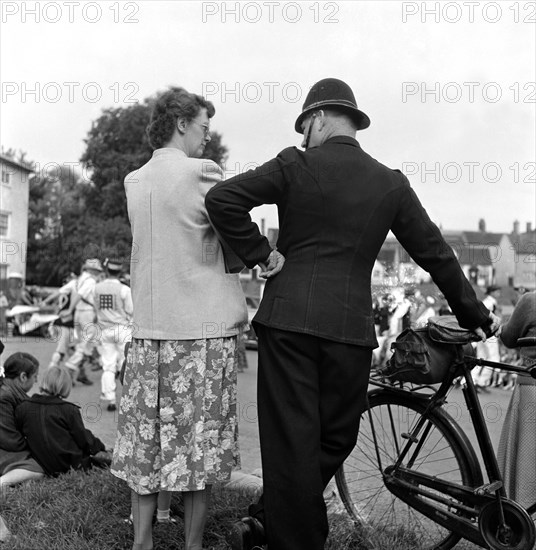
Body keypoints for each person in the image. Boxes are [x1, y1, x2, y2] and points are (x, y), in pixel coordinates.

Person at [205, 77, 499, 550]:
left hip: (287, 323)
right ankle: (281, 527)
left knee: (291, 443)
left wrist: (261, 253)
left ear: (317, 120)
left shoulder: (294, 163)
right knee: (336, 437)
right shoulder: (390, 183)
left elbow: (222, 199)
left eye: (305, 128)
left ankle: (278, 526)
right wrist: (475, 313)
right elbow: (435, 252)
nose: (305, 138)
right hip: (350, 331)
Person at [110, 86, 247, 550]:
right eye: (205, 127)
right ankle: (192, 544)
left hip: (151, 329)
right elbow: (233, 227)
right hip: (200, 331)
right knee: (199, 446)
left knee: (147, 441)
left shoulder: (134, 180)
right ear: (182, 122)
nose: (208, 138)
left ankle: (143, 541)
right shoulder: (202, 173)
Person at [15, 366, 109, 476]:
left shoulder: (23, 408)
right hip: (70, 463)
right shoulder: (68, 410)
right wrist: (99, 447)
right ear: (65, 386)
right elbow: (83, 439)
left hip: (41, 462)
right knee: (92, 446)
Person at [497, 290, 536, 509]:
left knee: (527, 458)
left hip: (531, 389)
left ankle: (521, 510)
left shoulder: (531, 300)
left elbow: (509, 337)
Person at [93, 259, 133, 412]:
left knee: (108, 365)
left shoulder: (97, 288)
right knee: (126, 364)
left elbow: (95, 307)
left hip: (104, 329)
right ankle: (127, 398)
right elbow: (131, 310)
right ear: (120, 272)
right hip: (122, 329)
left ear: (107, 270)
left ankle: (110, 398)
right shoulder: (124, 290)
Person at [0, 351, 44, 488]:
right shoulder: (5, 397)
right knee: (41, 466)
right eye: (35, 376)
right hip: (5, 450)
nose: (36, 381)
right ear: (23, 377)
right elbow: (10, 440)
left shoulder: (10, 392)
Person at [45, 273, 78, 368]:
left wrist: (45, 302)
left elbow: (56, 306)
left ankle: (80, 373)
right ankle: (51, 372)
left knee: (72, 349)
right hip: (65, 324)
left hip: (61, 323)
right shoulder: (74, 290)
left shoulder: (64, 293)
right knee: (60, 351)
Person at [472, 285, 502, 391]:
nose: (499, 293)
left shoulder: (487, 301)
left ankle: (470, 381)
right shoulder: (490, 302)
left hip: (482, 332)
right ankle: (481, 382)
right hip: (489, 333)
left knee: (480, 358)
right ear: (492, 292)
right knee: (494, 358)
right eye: (497, 291)